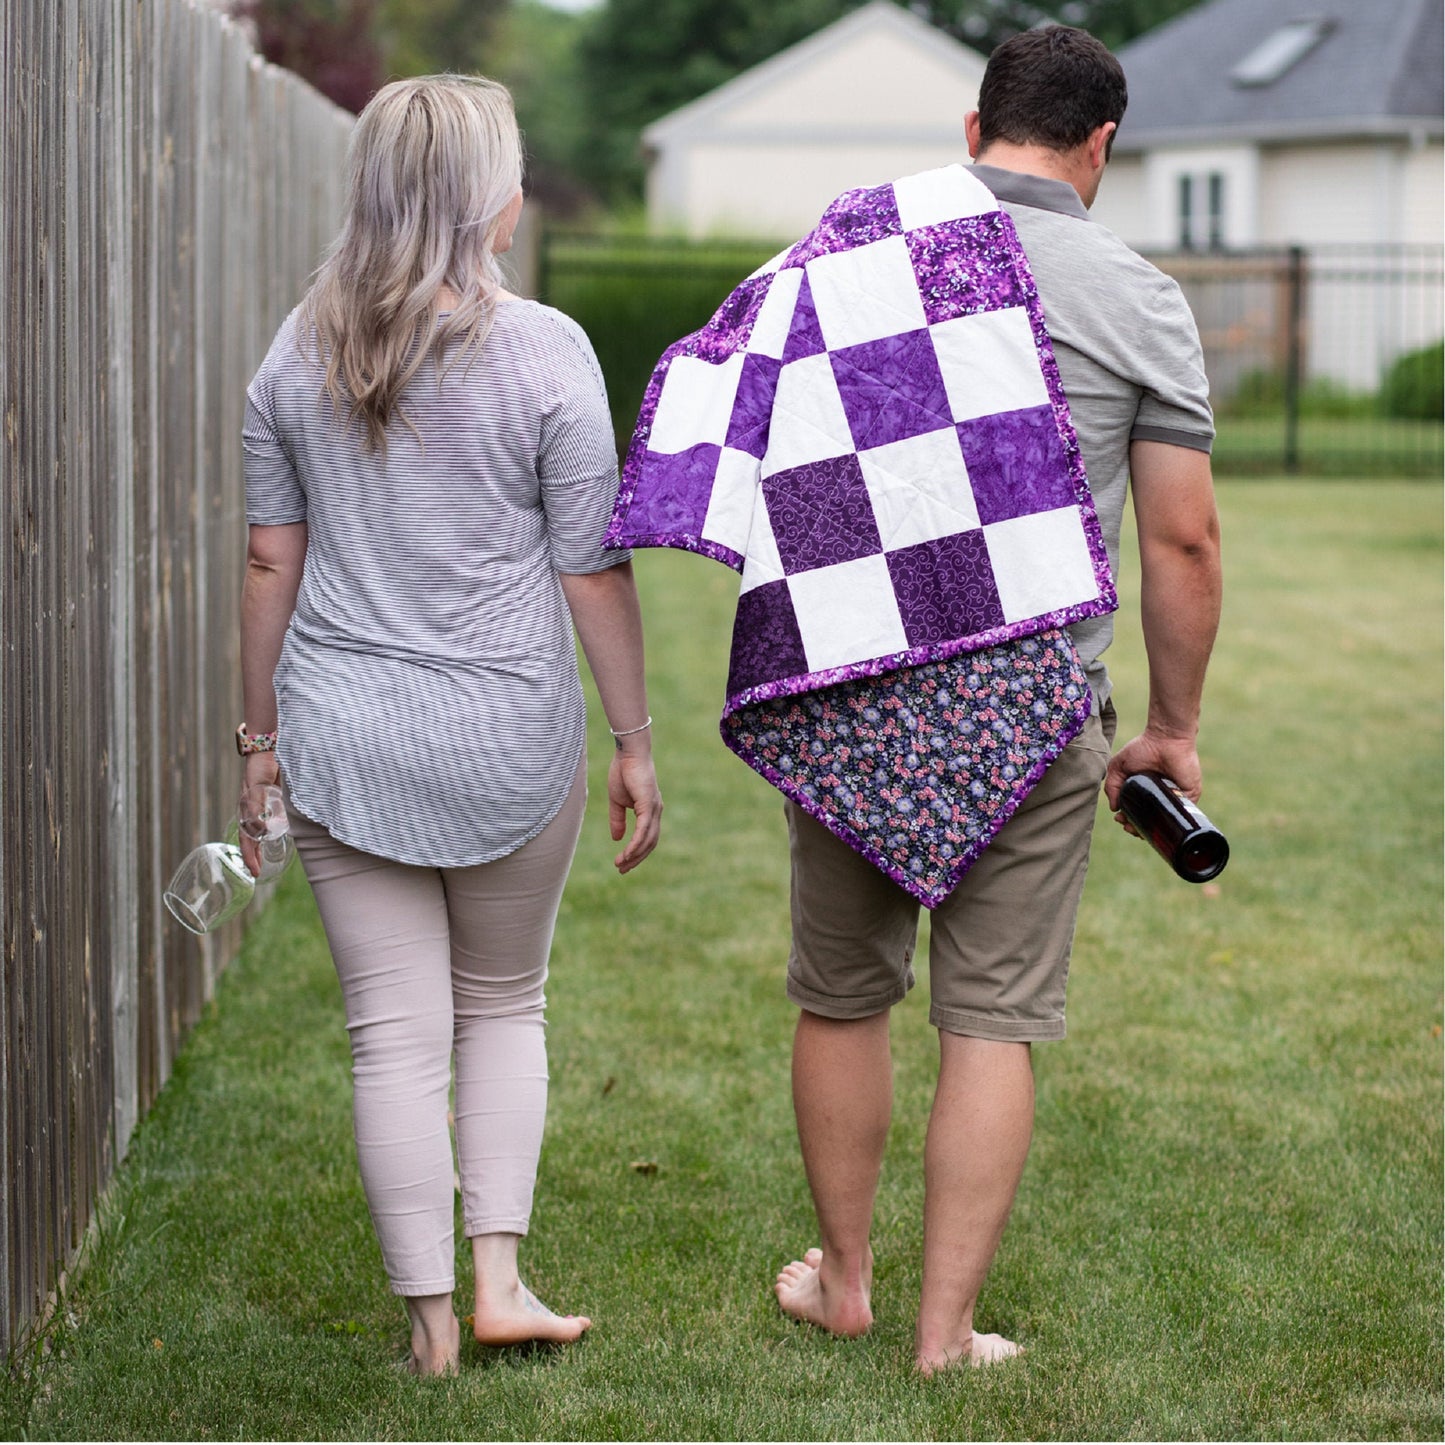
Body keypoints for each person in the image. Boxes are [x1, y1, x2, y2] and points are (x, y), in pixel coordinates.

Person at [769, 26, 1221, 1372]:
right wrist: (1171, 725)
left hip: (852, 684)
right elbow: (1181, 541)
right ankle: (941, 1331)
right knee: (992, 1016)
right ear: (1099, 148)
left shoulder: (851, 250)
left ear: (973, 131)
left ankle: (842, 1282)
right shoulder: (1136, 296)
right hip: (1029, 704)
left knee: (842, 995)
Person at [236, 75, 662, 1376]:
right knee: (502, 1004)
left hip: (342, 733)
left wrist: (257, 745)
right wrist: (634, 739)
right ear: (495, 201)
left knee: (391, 1030)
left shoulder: (292, 352)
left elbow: (269, 565)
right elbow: (590, 565)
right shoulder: (547, 351)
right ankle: (496, 1282)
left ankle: (427, 1329)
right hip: (502, 736)